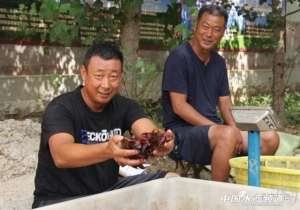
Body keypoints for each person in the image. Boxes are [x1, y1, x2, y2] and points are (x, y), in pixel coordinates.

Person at [32, 43, 176, 208]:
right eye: (99, 76)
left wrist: (160, 141)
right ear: (84, 73)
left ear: (121, 76)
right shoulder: (61, 108)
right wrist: (108, 150)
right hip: (58, 200)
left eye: (113, 76)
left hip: (107, 193)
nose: (106, 85)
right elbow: (62, 155)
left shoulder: (125, 106)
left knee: (171, 182)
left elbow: (146, 129)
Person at [161, 4, 279, 182]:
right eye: (205, 27)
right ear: (196, 26)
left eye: (216, 29)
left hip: (213, 131)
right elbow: (179, 107)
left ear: (223, 32)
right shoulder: (179, 57)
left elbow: (225, 103)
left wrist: (233, 127)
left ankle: (244, 185)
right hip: (181, 134)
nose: (209, 34)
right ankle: (220, 195)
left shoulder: (218, 62)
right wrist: (221, 129)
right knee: (227, 135)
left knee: (270, 138)